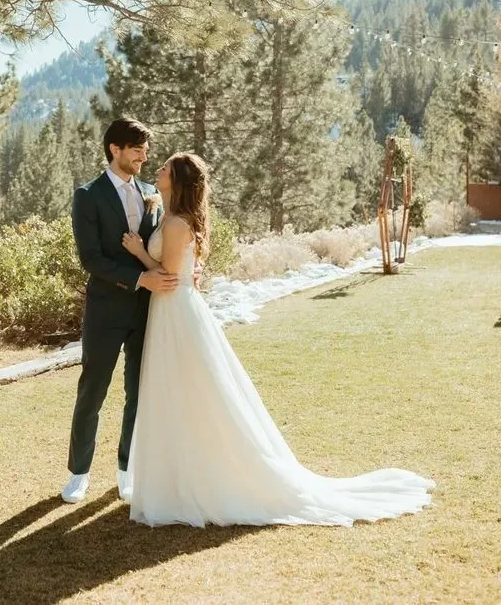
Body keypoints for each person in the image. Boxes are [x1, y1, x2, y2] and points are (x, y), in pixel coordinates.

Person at [122, 151, 436, 528]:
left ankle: (194, 481)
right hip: (174, 311)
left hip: (175, 311)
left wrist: (140, 251)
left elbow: (169, 275)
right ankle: (177, 478)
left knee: (190, 393)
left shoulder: (175, 224)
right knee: (185, 393)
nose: (158, 170)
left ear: (179, 181)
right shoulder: (174, 216)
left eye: (165, 169)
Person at [61, 117, 175, 504]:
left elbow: (158, 245)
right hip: (106, 310)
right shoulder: (88, 195)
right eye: (137, 149)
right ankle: (79, 473)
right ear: (115, 149)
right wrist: (139, 279)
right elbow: (90, 259)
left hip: (148, 311)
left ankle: (127, 469)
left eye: (145, 149)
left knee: (138, 392)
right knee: (92, 390)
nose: (144, 156)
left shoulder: (149, 192)